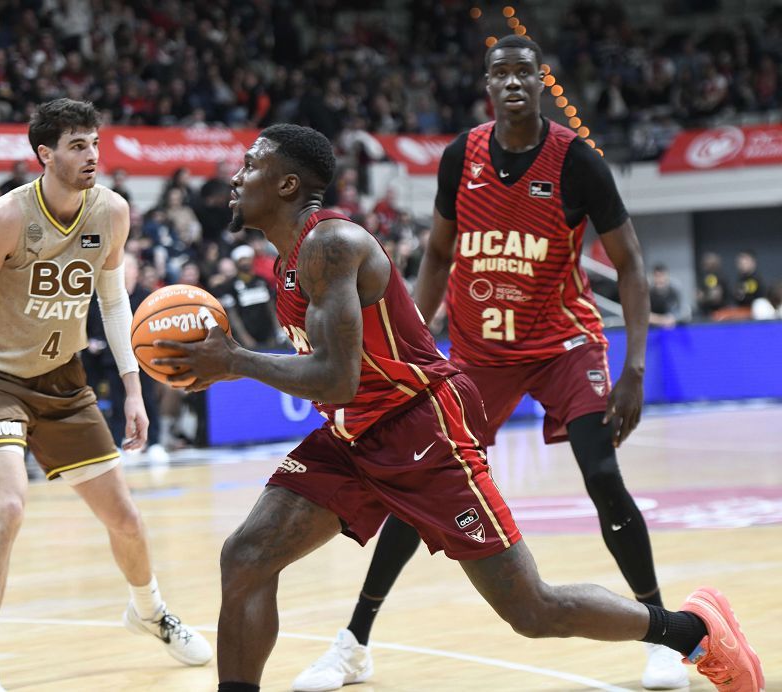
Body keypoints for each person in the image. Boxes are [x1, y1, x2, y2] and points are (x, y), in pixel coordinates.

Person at [153, 123, 763, 692]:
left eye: (249, 165)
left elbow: (335, 378)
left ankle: (690, 632)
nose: (234, 177)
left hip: (421, 429)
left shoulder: (331, 245)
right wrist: (232, 361)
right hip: (353, 437)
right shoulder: (287, 261)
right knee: (247, 554)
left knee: (532, 609)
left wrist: (232, 361)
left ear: (287, 184)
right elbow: (338, 386)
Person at [292, 35, 697, 692]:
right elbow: (436, 258)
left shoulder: (577, 162)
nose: (512, 83)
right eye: (500, 73)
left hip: (564, 346)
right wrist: (414, 340)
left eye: (524, 73)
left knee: (601, 473)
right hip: (480, 356)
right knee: (423, 484)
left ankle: (659, 634)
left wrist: (636, 369)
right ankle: (353, 643)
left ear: (541, 81)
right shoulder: (462, 155)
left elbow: (629, 267)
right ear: (488, 84)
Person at [0, 98, 211, 692]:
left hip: (65, 379)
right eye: (77, 146)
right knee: (9, 508)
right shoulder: (6, 217)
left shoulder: (113, 211)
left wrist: (134, 389)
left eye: (95, 143)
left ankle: (149, 612)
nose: (92, 156)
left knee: (127, 520)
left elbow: (113, 302)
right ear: (45, 154)